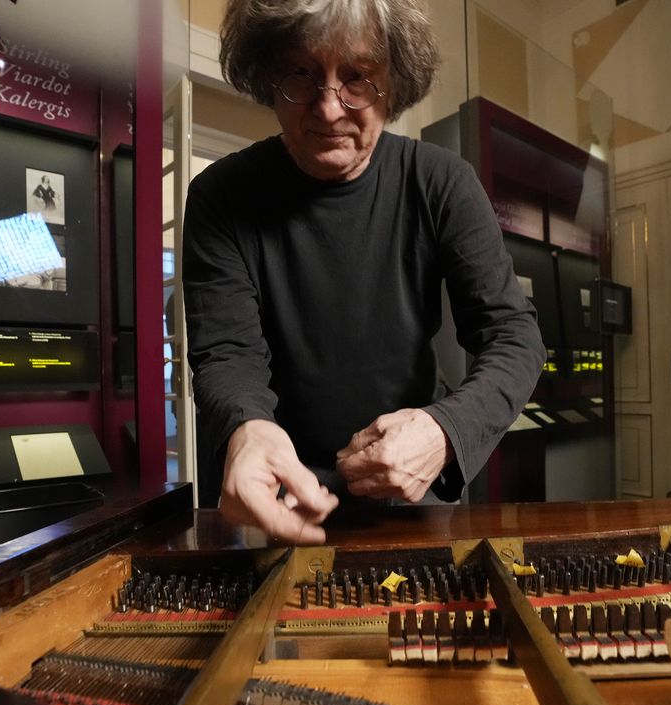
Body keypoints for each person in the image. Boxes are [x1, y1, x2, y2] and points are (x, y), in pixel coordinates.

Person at [183, 0, 544, 543]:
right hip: (274, 495)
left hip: (410, 491)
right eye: (300, 74)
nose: (329, 109)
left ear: (393, 82)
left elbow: (513, 337)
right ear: (267, 74)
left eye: (358, 77)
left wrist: (446, 430)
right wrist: (246, 428)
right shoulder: (218, 196)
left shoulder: (442, 181)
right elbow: (227, 352)